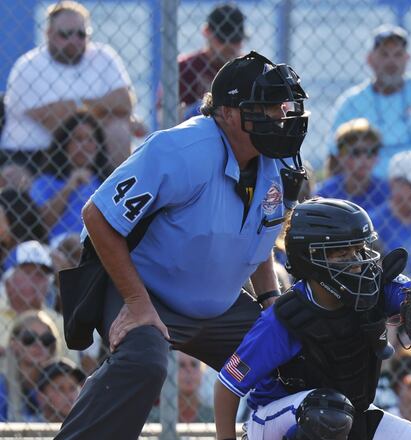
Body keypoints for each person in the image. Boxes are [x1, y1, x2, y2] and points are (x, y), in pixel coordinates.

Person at [54, 50, 310, 439]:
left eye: (281, 107)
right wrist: (138, 304)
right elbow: (98, 216)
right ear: (226, 112)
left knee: (295, 360)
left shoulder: (280, 161)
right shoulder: (180, 150)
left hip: (218, 306)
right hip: (143, 290)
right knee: (144, 361)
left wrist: (270, 303)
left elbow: (259, 232)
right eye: (265, 108)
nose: (278, 117)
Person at [213, 198, 411, 440]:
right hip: (275, 423)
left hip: (350, 413)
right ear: (310, 258)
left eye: (358, 250)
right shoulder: (284, 319)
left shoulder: (373, 289)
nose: (356, 263)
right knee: (327, 413)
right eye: (343, 253)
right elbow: (227, 385)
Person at [0, 1, 141, 170]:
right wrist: (108, 112)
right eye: (65, 34)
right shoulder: (28, 66)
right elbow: (58, 125)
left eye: (81, 34)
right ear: (48, 33)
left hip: (90, 152)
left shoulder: (104, 56)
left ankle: (120, 192)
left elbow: (124, 102)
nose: (74, 40)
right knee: (115, 124)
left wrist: (76, 105)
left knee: (118, 130)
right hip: (32, 156)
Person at [328, 25, 411, 178]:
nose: (392, 62)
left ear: (407, 58)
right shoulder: (351, 102)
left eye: (398, 54)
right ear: (370, 59)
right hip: (367, 192)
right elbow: (335, 159)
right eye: (384, 54)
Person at [29, 111, 112, 241]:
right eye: (78, 139)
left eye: (90, 140)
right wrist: (68, 188)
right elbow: (39, 226)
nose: (84, 145)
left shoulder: (109, 183)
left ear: (98, 147)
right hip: (57, 247)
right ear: (65, 144)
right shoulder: (45, 182)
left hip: (97, 247)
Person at [177, 3, 247, 120]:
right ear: (206, 32)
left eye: (235, 39)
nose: (229, 45)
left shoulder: (250, 68)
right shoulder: (185, 67)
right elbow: (164, 116)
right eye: (222, 39)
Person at [0, 310, 63, 421]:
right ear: (14, 344)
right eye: (29, 338)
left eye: (46, 340)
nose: (38, 345)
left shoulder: (63, 385)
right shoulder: (2, 387)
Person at [316, 118, 389, 212]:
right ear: (341, 156)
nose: (364, 159)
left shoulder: (386, 192)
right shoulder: (325, 193)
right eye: (356, 152)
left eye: (372, 151)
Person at [35, 358, 86, 423]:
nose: (69, 396)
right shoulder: (29, 427)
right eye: (60, 389)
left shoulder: (86, 424)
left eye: (73, 388)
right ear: (41, 396)